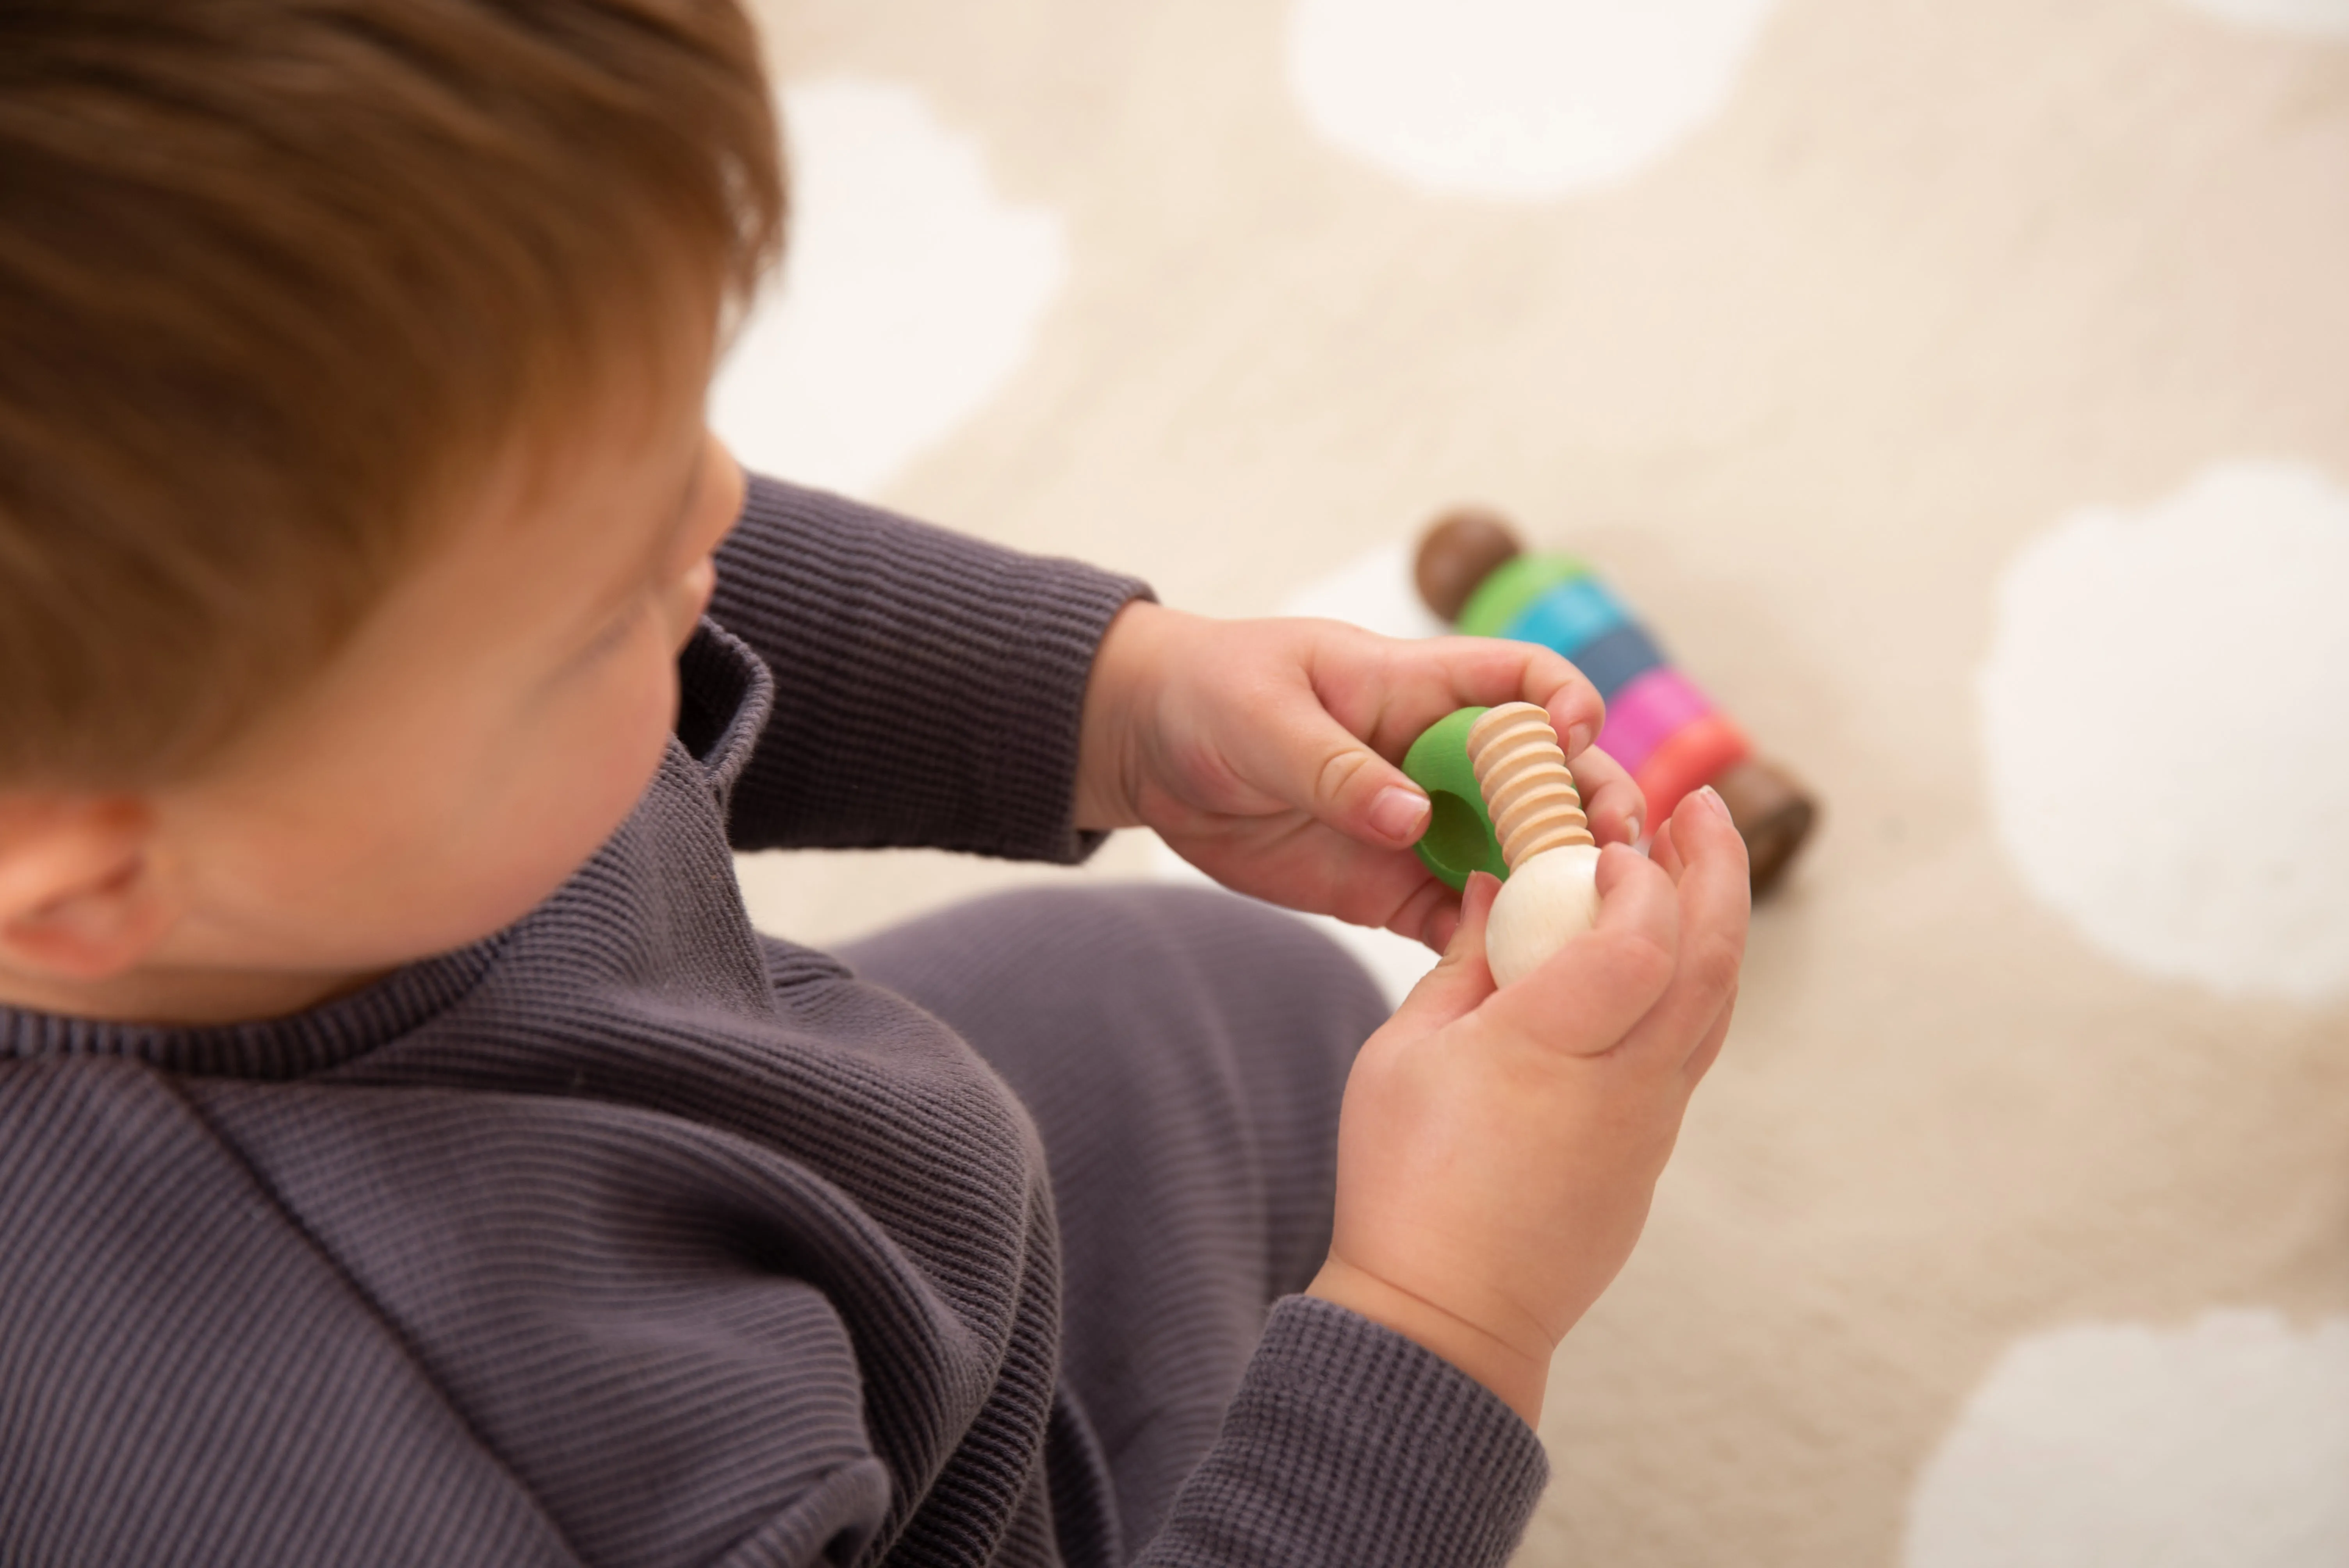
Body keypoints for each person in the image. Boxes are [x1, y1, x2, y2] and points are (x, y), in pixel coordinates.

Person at [0, 2, 1750, 1564]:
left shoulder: (256, 779)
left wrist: (1120, 703)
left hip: (866, 1240)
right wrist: (1446, 1312)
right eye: (611, 592)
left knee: (1230, 1004)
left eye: (684, 430)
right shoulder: (498, 1469)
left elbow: (660, 574)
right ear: (83, 882)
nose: (715, 526)